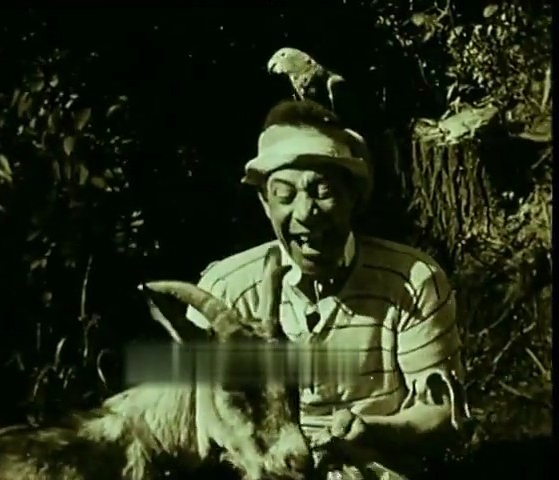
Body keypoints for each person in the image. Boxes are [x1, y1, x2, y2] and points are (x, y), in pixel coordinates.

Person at [186, 99, 471, 479]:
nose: (306, 212)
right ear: (265, 203)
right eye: (285, 195)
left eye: (323, 191)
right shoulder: (226, 290)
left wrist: (374, 431)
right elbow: (196, 420)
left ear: (353, 195)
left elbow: (443, 415)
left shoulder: (411, 279)